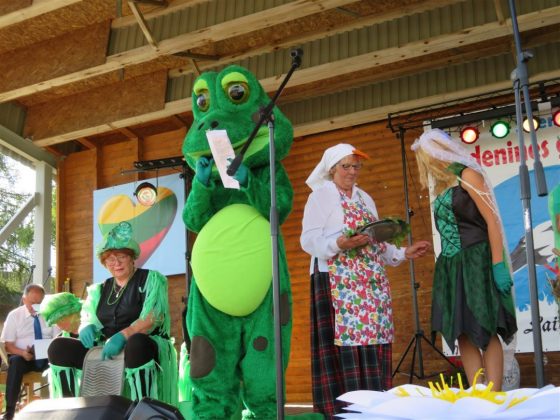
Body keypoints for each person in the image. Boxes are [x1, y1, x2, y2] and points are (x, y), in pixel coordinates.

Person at [300, 143, 431, 417]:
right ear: (332, 169)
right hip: (337, 282)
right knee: (343, 347)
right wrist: (340, 243)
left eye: (356, 166)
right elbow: (308, 240)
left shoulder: (365, 199)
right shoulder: (321, 196)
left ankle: (375, 409)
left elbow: (376, 241)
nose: (352, 171)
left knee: (373, 342)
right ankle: (344, 411)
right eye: (346, 166)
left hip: (370, 284)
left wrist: (403, 252)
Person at [412, 128, 517, 390]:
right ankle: (477, 391)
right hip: (451, 265)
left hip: (476, 260)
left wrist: (497, 264)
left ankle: (493, 393)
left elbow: (492, 221)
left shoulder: (468, 174)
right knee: (463, 332)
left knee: (485, 325)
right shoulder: (443, 185)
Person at [46, 221, 178, 406]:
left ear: (132, 258)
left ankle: (143, 409)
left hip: (142, 345)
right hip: (106, 347)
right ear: (104, 263)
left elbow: (153, 317)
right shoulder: (99, 289)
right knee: (58, 347)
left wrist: (124, 335)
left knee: (136, 343)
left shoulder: (151, 279)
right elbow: (88, 315)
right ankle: (70, 408)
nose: (116, 263)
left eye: (122, 256)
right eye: (110, 259)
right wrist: (86, 326)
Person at [0, 284, 60, 420]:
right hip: (24, 357)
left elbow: (58, 339)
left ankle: (60, 408)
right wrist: (22, 353)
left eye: (40, 303)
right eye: (33, 303)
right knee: (15, 362)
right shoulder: (15, 316)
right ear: (24, 299)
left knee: (62, 357)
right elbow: (8, 346)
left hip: (47, 357)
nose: (36, 307)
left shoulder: (50, 314)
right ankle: (9, 411)